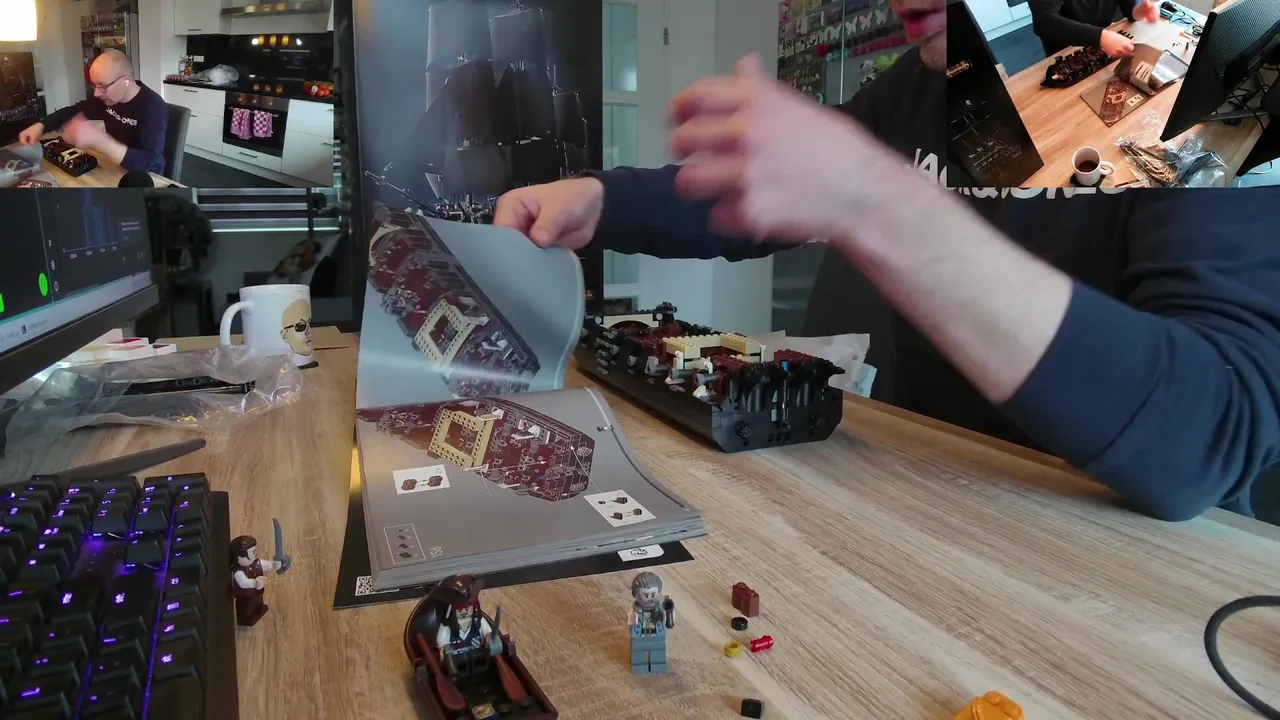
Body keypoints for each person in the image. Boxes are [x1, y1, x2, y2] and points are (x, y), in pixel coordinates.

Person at [493, 0, 1280, 523]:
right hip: (935, 504)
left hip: (1142, 581)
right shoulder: (926, 79)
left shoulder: (1221, 107)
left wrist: (875, 199)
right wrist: (600, 200)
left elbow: (1211, 434)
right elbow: (771, 191)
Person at [17, 49, 168, 174]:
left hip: (147, 176)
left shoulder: (153, 107)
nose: (96, 93)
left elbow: (148, 162)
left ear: (126, 81)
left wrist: (100, 141)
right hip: (114, 165)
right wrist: (41, 126)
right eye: (94, 86)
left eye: (102, 86)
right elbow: (73, 110)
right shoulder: (106, 99)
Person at [1029, 0, 1161, 57]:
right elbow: (1044, 22)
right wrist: (1100, 37)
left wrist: (1139, 10)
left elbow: (1129, 7)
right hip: (1065, 54)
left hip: (1104, 46)